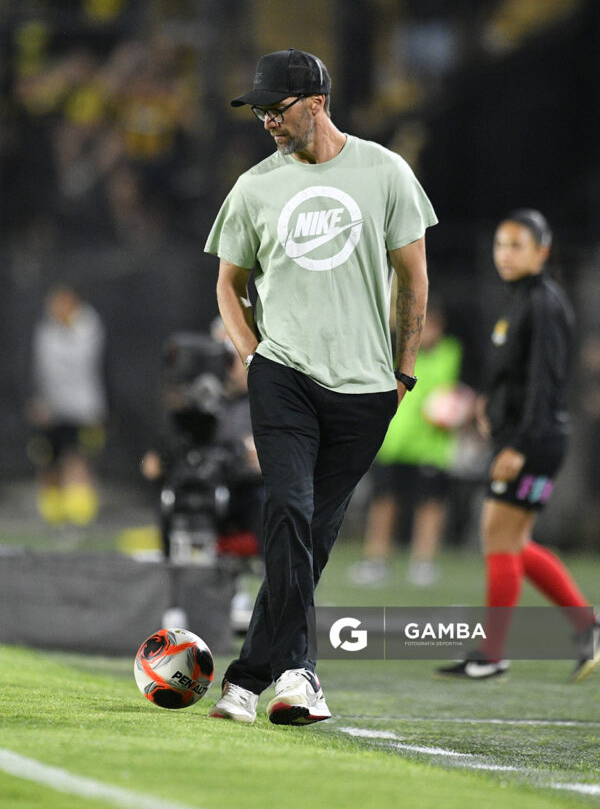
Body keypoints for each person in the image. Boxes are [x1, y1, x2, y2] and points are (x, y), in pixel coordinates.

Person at [204, 48, 437, 725]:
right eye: (260, 113)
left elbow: (414, 280)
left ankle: (246, 679)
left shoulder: (386, 172)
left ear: (315, 103)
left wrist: (403, 372)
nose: (267, 123)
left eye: (276, 109)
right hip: (283, 375)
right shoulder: (253, 187)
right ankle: (299, 674)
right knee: (287, 509)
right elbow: (228, 283)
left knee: (314, 533)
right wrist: (252, 355)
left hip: (368, 389)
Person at [438, 209, 599, 682]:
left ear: (541, 252)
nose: (504, 255)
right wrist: (490, 402)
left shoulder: (545, 303)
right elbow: (517, 373)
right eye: (500, 245)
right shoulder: (521, 300)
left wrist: (519, 446)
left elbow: (547, 385)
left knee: (498, 537)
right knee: (513, 541)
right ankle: (585, 626)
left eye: (516, 246)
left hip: (535, 441)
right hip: (526, 437)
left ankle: (492, 654)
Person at [348, 298, 466, 587]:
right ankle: (376, 561)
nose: (424, 331)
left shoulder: (452, 354)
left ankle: (423, 563)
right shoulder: (394, 351)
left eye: (430, 326)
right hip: (393, 442)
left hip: (432, 447)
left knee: (430, 504)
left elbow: (462, 396)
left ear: (440, 327)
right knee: (384, 501)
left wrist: (457, 410)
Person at [27, 283, 107, 526]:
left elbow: (103, 370)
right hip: (50, 409)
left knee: (78, 458)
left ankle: (81, 516)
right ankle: (51, 516)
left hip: (84, 409)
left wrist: (102, 410)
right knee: (47, 460)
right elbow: (35, 369)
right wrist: (36, 400)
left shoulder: (91, 329)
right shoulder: (44, 332)